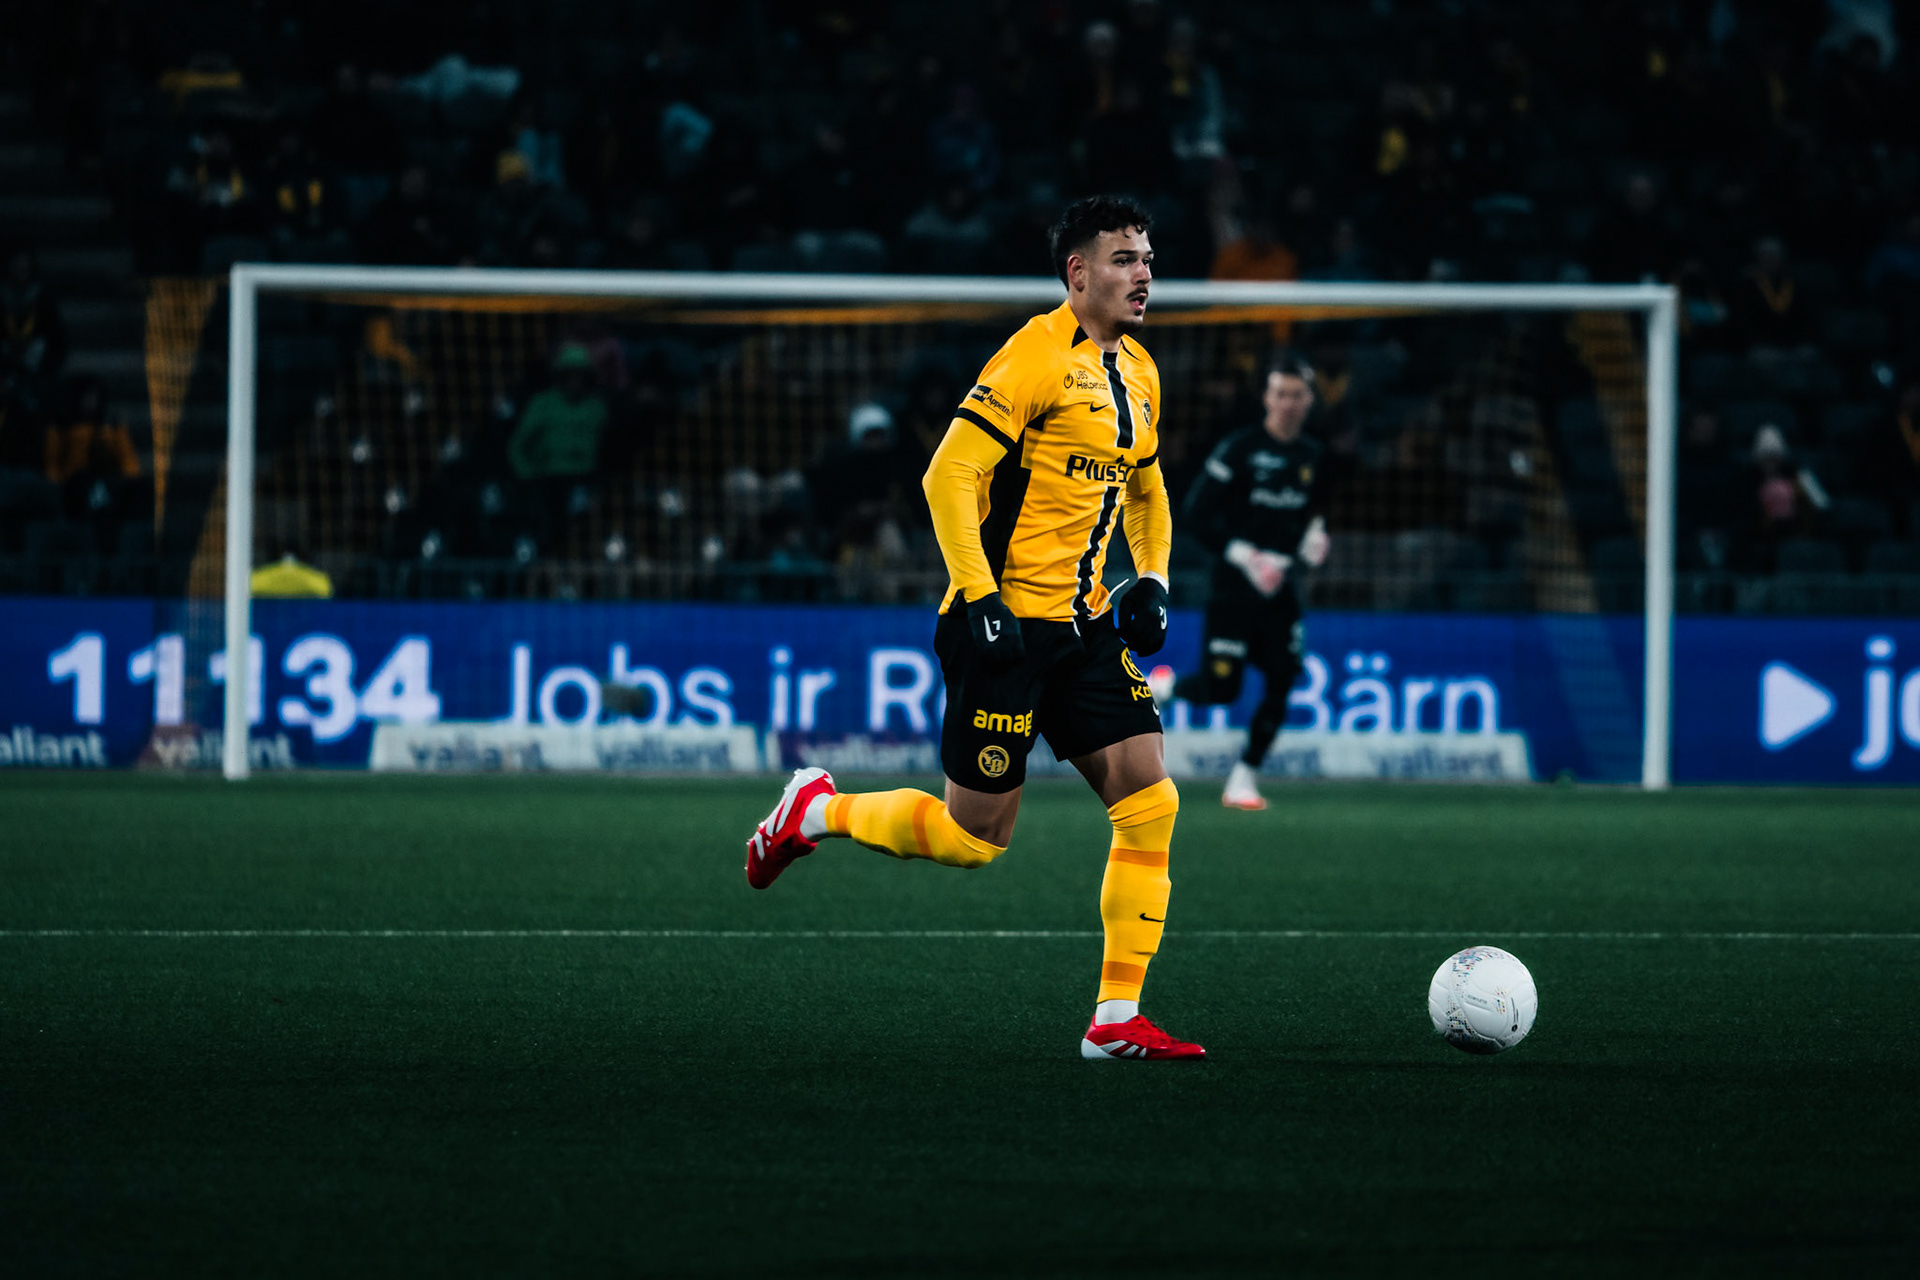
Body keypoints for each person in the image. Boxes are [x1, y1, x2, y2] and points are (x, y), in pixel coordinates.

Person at [742, 195, 1202, 1062]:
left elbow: (1147, 488)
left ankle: (1115, 1019)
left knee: (1151, 799)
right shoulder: (1033, 356)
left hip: (1084, 628)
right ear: (1078, 273)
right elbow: (947, 474)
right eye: (1124, 259)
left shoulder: (1140, 370)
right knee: (973, 841)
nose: (1144, 274)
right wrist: (980, 596)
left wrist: (1152, 578)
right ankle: (816, 810)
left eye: (1147, 257)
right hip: (1004, 628)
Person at [1162, 353, 1330, 811]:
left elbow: (1310, 516)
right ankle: (1165, 688)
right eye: (1281, 394)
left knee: (1282, 680)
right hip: (1233, 588)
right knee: (1222, 689)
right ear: (1266, 398)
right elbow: (1195, 512)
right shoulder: (1240, 448)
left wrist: (1314, 541)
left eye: (1297, 395)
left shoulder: (1314, 456)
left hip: (1279, 591)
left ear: (1309, 401)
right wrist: (1243, 554)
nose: (1289, 403)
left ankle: (1243, 780)